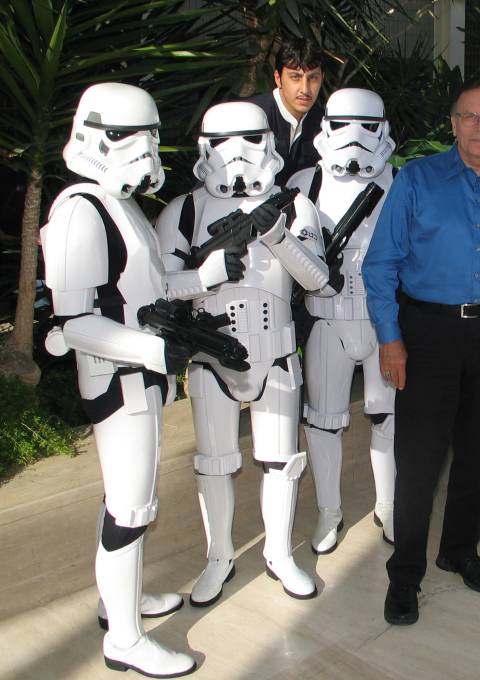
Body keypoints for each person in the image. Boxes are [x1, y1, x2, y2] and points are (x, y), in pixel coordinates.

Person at [40, 83, 244, 678]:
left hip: (142, 374)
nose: (144, 150)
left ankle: (118, 603)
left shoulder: (119, 205)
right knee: (131, 509)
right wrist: (153, 348)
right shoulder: (80, 210)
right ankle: (125, 641)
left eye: (151, 137)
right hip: (118, 379)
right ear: (96, 137)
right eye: (128, 136)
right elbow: (73, 324)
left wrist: (204, 276)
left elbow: (146, 290)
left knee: (126, 500)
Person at [362, 77, 480, 626]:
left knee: (475, 454)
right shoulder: (416, 180)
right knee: (419, 461)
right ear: (453, 123)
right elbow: (380, 265)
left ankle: (459, 550)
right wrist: (390, 338)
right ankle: (405, 575)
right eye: (470, 116)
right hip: (427, 333)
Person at [156, 101, 331, 604]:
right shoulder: (184, 211)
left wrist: (278, 236)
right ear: (205, 147)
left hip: (275, 355)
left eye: (251, 139)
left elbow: (318, 281)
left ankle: (278, 553)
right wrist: (204, 276)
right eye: (224, 142)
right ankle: (219, 557)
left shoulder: (294, 206)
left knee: (282, 461)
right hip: (210, 357)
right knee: (214, 462)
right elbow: (158, 287)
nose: (238, 154)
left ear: (269, 143)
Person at [288, 88, 397, 554]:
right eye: (343, 125)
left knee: (387, 416)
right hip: (325, 316)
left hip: (382, 317)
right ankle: (329, 510)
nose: (354, 138)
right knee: (323, 421)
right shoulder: (305, 183)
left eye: (366, 126)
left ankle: (388, 505)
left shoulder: (399, 181)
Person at [250, 37, 324, 187]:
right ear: (278, 78)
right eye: (295, 77)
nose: (305, 89)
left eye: (313, 78)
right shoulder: (252, 117)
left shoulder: (324, 124)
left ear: (322, 78)